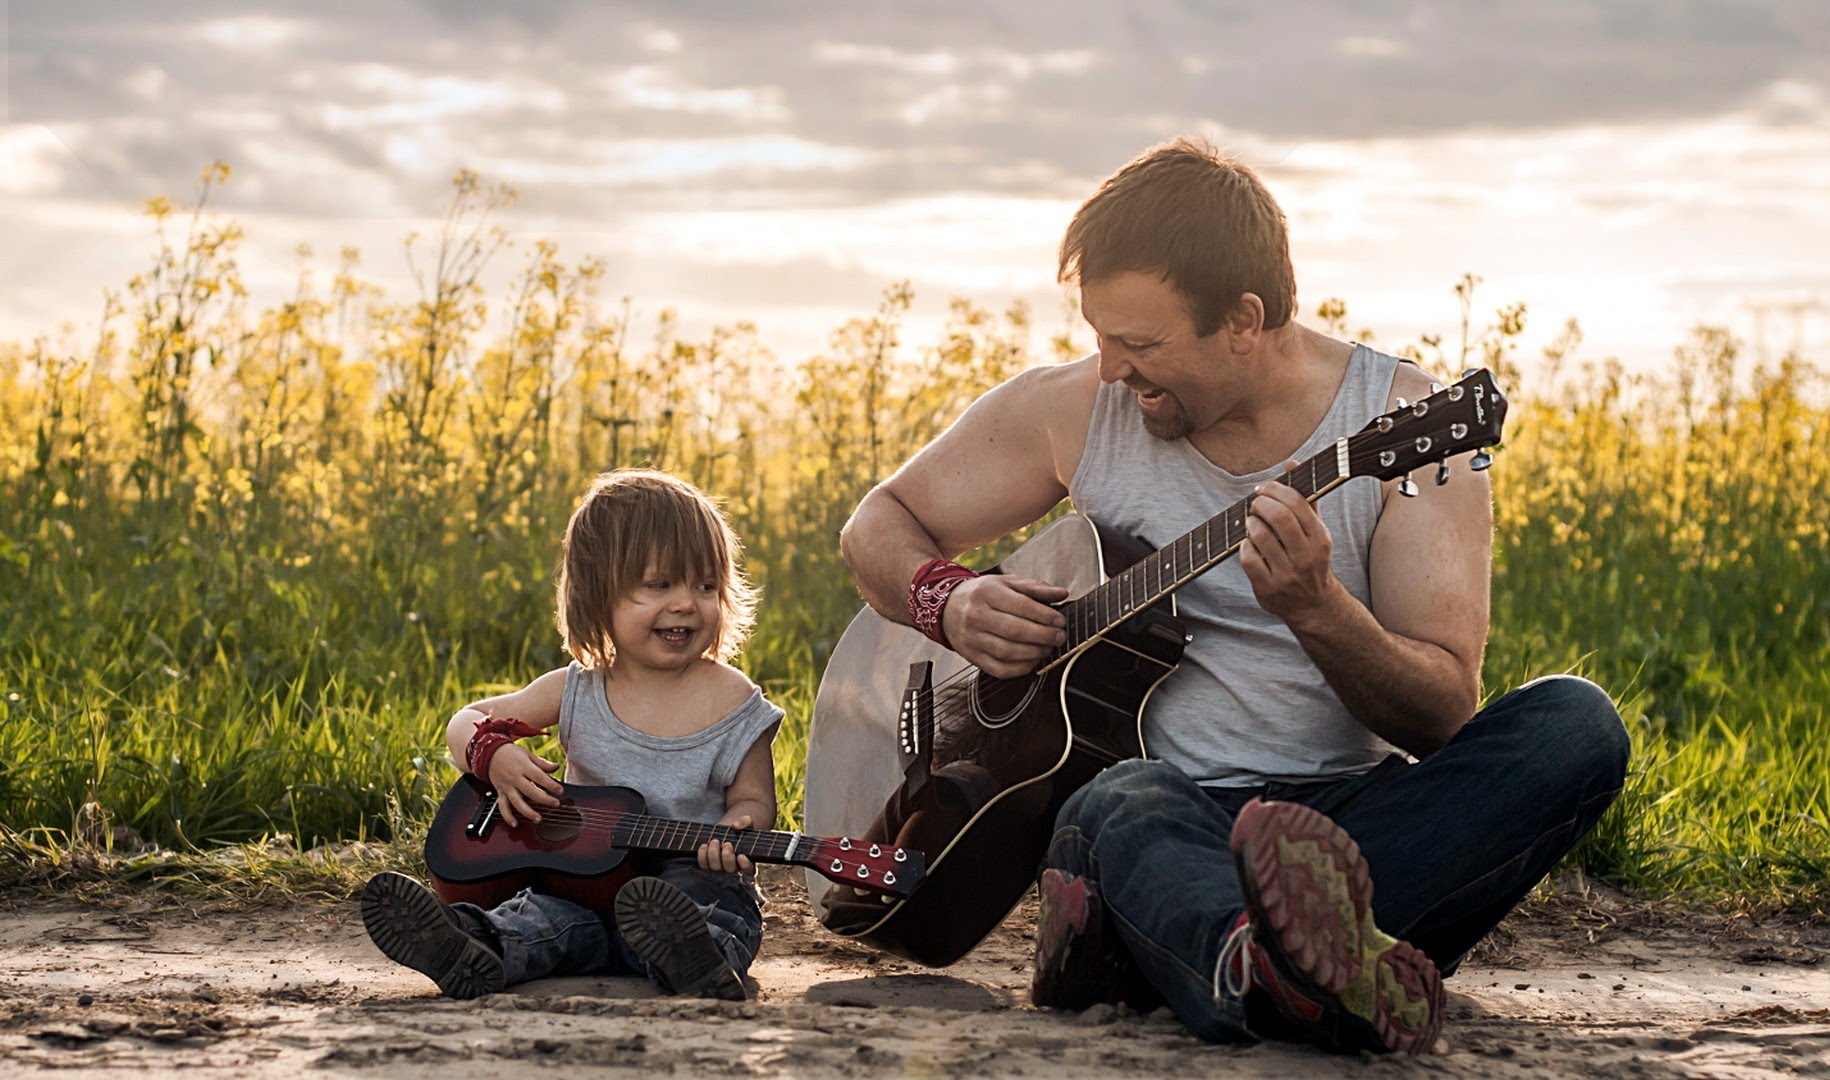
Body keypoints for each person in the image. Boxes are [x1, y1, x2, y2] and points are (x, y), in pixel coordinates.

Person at [837, 138, 1629, 1054]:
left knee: (1576, 725)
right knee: (1118, 805)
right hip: (1162, 808)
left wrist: (1319, 609)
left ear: (1244, 320)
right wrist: (950, 602)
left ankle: (1223, 960)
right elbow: (878, 526)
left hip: (1344, 826)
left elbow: (1442, 716)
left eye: (1138, 343)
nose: (1109, 369)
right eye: (1099, 336)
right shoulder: (1075, 411)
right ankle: (1304, 968)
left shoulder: (1404, 424)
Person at [361, 468, 783, 1001]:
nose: (685, 603)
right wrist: (493, 757)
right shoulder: (576, 689)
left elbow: (753, 798)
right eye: (657, 585)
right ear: (596, 595)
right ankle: (466, 943)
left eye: (705, 585)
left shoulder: (734, 701)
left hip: (690, 877)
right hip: (581, 887)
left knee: (708, 910)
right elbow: (465, 721)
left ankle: (697, 958)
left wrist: (737, 827)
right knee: (537, 918)